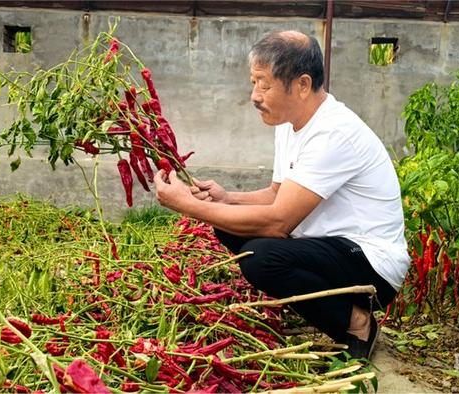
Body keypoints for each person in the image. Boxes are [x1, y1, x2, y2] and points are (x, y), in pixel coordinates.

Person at [153, 30, 409, 360]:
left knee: (262, 258)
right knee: (228, 223)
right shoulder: (289, 123)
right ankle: (326, 307)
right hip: (331, 247)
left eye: (264, 83)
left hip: (370, 264)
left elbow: (278, 221)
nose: (254, 95)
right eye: (253, 82)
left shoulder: (333, 132)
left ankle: (357, 322)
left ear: (302, 85)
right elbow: (277, 194)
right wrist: (226, 197)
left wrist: (186, 205)